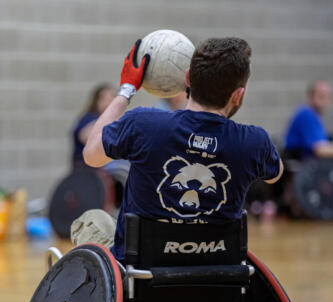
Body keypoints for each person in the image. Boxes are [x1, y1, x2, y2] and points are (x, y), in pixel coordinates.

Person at [73, 37, 283, 261]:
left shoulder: (143, 124)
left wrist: (126, 90)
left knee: (92, 220)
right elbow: (275, 174)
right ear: (238, 94)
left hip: (141, 275)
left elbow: (91, 155)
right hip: (217, 274)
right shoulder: (255, 142)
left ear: (187, 79)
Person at [71, 84, 116, 170]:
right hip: (87, 171)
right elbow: (85, 136)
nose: (112, 102)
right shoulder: (89, 118)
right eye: (109, 98)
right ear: (99, 101)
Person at [284, 81, 333, 159]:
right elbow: (320, 150)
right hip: (303, 165)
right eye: (321, 96)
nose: (325, 101)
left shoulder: (314, 115)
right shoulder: (307, 114)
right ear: (310, 96)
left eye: (327, 97)